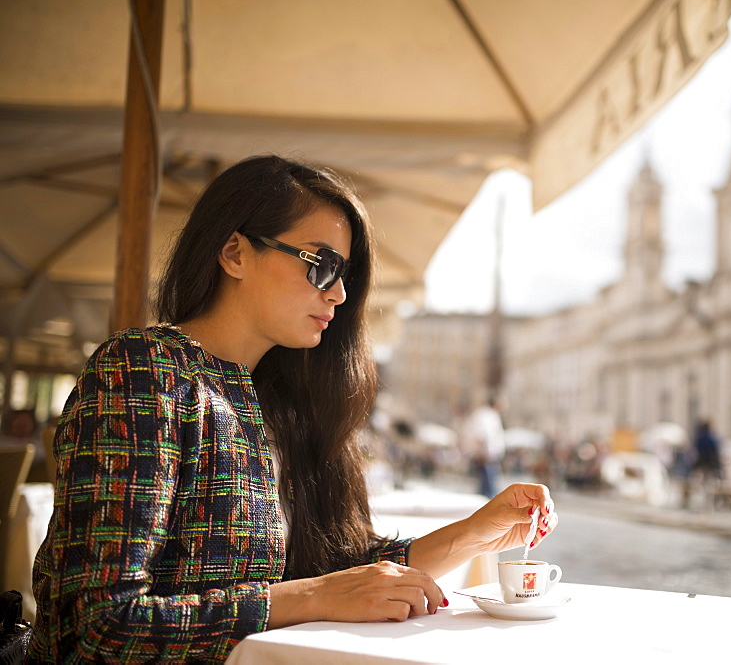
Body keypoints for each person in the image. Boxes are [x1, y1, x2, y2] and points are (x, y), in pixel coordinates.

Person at [28, 156, 558, 663]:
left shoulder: (279, 403)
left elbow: (335, 573)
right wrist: (309, 597)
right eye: (321, 265)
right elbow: (96, 629)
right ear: (235, 253)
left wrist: (472, 533)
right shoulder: (144, 372)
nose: (341, 293)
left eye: (345, 273)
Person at [464, 396, 506, 498]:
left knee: (486, 487)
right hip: (487, 458)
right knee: (488, 489)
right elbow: (483, 435)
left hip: (488, 457)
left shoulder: (486, 415)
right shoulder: (487, 415)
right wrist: (484, 453)